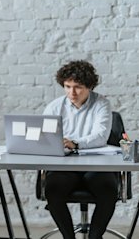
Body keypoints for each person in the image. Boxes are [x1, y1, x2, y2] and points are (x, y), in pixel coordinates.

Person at [43, 60, 117, 239]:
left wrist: (74, 143)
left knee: (108, 190)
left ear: (90, 86)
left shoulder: (101, 104)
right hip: (65, 166)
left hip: (96, 167)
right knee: (52, 190)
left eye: (78, 87)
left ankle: (94, 237)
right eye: (67, 86)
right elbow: (45, 137)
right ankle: (68, 237)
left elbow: (100, 136)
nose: (72, 92)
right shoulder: (54, 106)